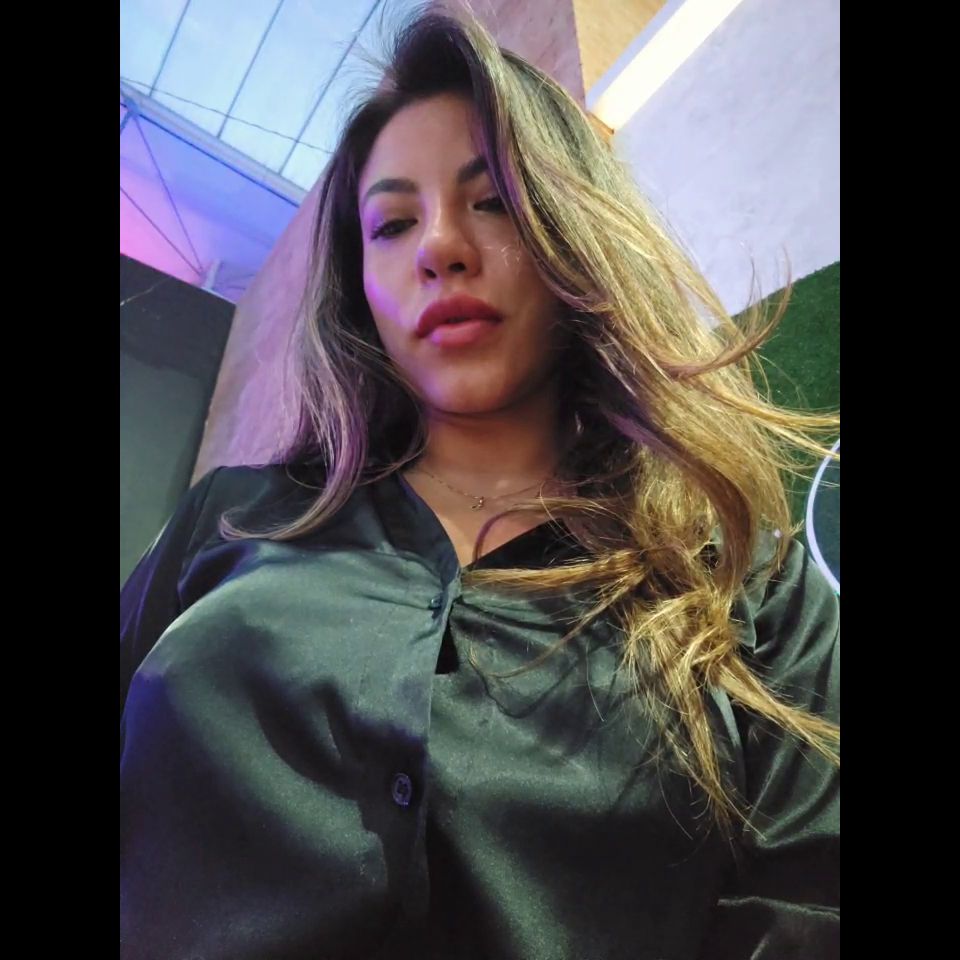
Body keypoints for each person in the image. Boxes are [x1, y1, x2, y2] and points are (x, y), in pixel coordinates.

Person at [120, 6, 839, 959]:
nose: (439, 247)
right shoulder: (234, 518)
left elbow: (809, 910)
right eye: (392, 224)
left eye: (492, 200)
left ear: (571, 229)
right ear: (358, 286)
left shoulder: (751, 584)